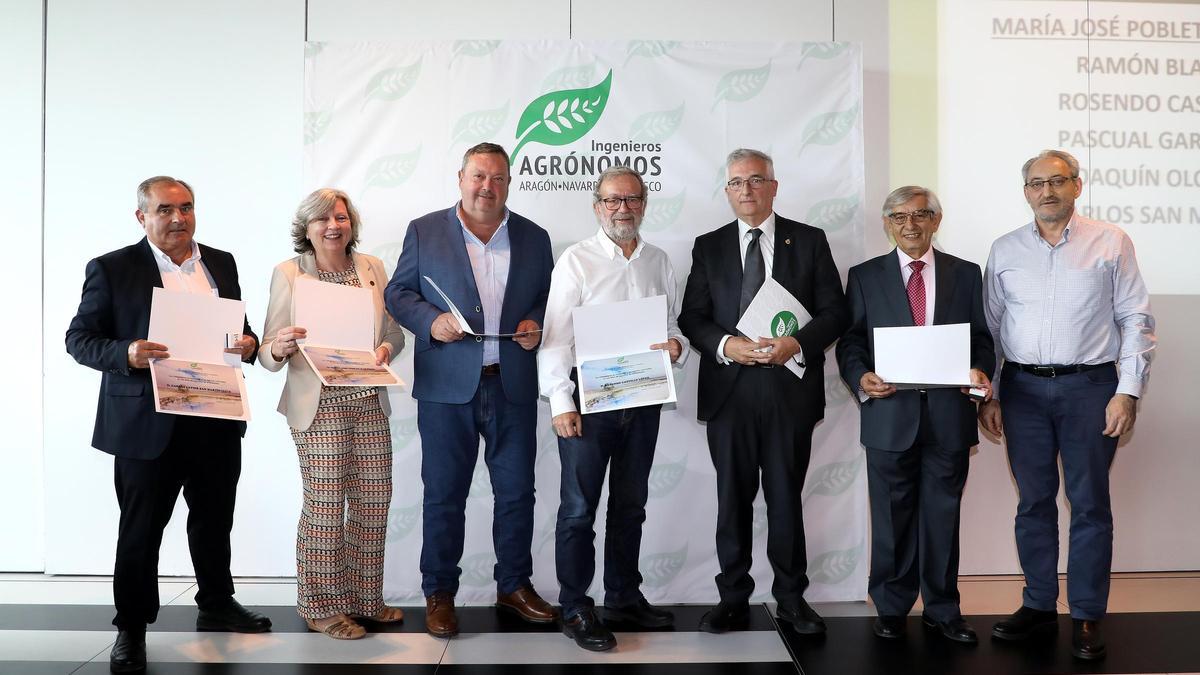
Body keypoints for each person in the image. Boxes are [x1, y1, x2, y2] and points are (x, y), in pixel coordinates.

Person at [65, 176, 270, 673]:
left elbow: (241, 332)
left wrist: (249, 344)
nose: (178, 218)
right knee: (140, 530)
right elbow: (79, 338)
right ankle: (131, 628)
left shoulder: (221, 262)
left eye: (187, 207)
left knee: (214, 519)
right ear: (142, 216)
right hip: (145, 422)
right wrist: (126, 352)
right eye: (165, 209)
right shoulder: (112, 268)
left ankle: (217, 603)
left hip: (216, 415)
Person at [979, 149, 1155, 661]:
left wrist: (1127, 391)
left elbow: (1136, 319)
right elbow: (990, 329)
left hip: (1090, 389)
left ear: (1077, 186)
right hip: (1022, 394)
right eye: (1037, 183)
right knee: (1032, 503)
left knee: (1089, 505)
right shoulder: (1005, 249)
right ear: (1026, 191)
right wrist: (989, 392)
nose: (1047, 191)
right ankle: (1037, 605)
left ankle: (1085, 614)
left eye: (1058, 181)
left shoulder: (1111, 242)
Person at [385, 142, 556, 638]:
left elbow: (551, 297)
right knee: (443, 496)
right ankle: (439, 593)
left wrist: (536, 321)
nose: (487, 187)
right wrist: (430, 322)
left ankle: (514, 586)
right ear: (461, 177)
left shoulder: (535, 237)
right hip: (445, 390)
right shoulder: (425, 230)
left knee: (517, 494)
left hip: (513, 386)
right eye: (479, 176)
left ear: (509, 182)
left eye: (498, 178)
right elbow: (398, 292)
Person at [678, 148, 848, 635]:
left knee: (785, 498)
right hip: (730, 393)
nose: (746, 190)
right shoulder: (707, 246)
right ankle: (732, 598)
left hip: (788, 391)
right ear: (727, 191)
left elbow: (835, 313)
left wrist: (795, 342)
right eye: (736, 183)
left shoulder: (810, 241)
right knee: (731, 500)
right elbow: (693, 317)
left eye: (756, 180)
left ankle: (792, 600)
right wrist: (727, 344)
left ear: (774, 186)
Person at [538, 166, 688, 651]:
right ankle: (577, 606)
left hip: (642, 402)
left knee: (631, 506)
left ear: (644, 203)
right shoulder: (576, 262)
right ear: (597, 205)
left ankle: (623, 596)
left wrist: (676, 346)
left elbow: (672, 325)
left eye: (632, 199)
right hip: (590, 403)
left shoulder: (658, 260)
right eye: (612, 200)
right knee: (579, 510)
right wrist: (562, 402)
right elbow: (556, 339)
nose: (623, 208)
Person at [836, 186, 994, 644]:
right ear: (887, 223)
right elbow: (850, 341)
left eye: (921, 214)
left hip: (948, 416)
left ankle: (943, 609)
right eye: (900, 216)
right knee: (890, 517)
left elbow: (982, 338)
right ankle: (890, 606)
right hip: (889, 414)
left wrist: (981, 368)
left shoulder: (966, 274)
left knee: (943, 517)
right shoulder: (865, 276)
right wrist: (861, 376)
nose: (911, 224)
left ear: (936, 220)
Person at [259, 188, 407, 640]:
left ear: (351, 224)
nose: (333, 226)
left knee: (374, 501)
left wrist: (385, 348)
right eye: (322, 219)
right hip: (317, 407)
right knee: (325, 507)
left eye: (340, 217)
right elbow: (267, 351)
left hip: (367, 402)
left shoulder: (372, 270)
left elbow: (394, 333)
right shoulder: (288, 274)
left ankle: (365, 598)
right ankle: (319, 605)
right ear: (306, 228)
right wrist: (280, 347)